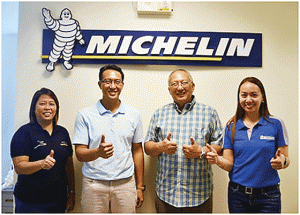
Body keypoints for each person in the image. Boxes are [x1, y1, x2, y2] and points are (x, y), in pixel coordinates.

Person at [206, 77, 290, 213]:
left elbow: (286, 159)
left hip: (269, 197)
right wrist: (217, 160)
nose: (248, 100)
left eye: (254, 95)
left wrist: (282, 161)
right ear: (239, 98)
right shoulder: (231, 127)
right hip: (237, 196)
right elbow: (229, 164)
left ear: (262, 98)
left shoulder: (276, 124)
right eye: (244, 95)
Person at [144, 69, 223, 213]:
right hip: (166, 193)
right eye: (174, 84)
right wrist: (160, 146)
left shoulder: (209, 113)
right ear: (169, 90)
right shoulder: (159, 113)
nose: (179, 87)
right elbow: (147, 147)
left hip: (199, 194)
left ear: (193, 86)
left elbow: (219, 145)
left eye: (184, 83)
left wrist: (201, 151)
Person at [72, 64, 145, 213]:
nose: (113, 86)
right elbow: (79, 153)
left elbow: (137, 150)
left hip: (125, 184)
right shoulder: (85, 114)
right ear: (100, 84)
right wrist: (97, 153)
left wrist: (140, 187)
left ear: (122, 85)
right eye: (107, 81)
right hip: (94, 185)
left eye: (117, 82)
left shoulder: (133, 114)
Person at [10, 88, 75, 213]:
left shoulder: (62, 132)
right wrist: (41, 164)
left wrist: (72, 193)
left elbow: (69, 166)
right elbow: (19, 167)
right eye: (42, 103)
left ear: (56, 109)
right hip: (29, 202)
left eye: (51, 104)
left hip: (58, 201)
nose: (47, 107)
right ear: (34, 108)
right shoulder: (24, 133)